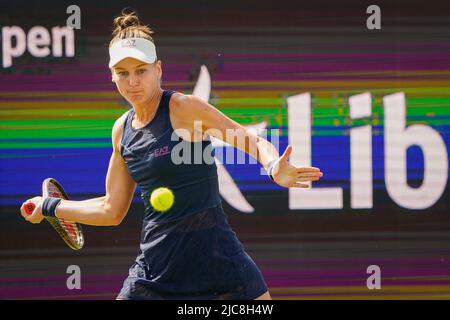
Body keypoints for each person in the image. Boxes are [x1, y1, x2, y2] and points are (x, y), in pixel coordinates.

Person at [20, 10, 323, 300]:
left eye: (141, 70)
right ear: (112, 76)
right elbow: (111, 209)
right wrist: (49, 206)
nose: (132, 81)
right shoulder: (121, 131)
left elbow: (250, 139)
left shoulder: (184, 109)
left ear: (158, 69)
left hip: (219, 262)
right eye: (122, 73)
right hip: (155, 269)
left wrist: (273, 167)